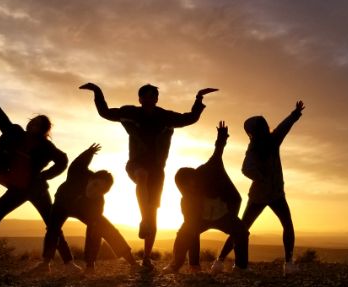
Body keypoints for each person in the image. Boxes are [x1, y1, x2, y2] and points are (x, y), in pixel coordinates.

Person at [79, 82, 217, 269]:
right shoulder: (130, 113)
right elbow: (105, 112)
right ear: (140, 98)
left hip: (157, 170)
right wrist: (97, 91)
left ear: (157, 99)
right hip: (135, 164)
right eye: (147, 95)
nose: (151, 98)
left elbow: (190, 118)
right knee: (142, 176)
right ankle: (144, 218)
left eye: (154, 96)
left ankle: (146, 257)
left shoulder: (165, 117)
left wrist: (199, 97)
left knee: (153, 215)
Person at [0, 81, 76, 272]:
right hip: (18, 189)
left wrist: (45, 176)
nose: (32, 124)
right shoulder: (15, 133)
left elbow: (63, 160)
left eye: (37, 124)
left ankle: (69, 263)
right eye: (32, 121)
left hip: (37, 189)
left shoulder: (46, 146)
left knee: (52, 225)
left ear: (43, 129)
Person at [214, 101, 305, 275]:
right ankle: (288, 264)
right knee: (284, 225)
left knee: (242, 228)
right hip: (272, 193)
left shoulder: (259, 145)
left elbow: (246, 169)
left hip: (262, 194)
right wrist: (263, 178)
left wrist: (295, 114)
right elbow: (246, 168)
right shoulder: (269, 142)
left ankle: (219, 261)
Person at [33, 143, 139, 273]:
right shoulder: (77, 172)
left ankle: (131, 263)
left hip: (83, 209)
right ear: (90, 179)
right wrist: (89, 153)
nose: (95, 191)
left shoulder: (98, 202)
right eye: (95, 185)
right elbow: (79, 162)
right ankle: (45, 263)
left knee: (102, 226)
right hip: (62, 202)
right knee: (53, 228)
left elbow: (94, 234)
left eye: (101, 190)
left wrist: (90, 263)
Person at [164, 121, 248, 274]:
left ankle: (240, 267)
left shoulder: (210, 169)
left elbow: (217, 153)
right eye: (186, 189)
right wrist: (194, 264)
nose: (191, 190)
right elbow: (191, 227)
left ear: (195, 177)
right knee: (184, 233)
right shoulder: (187, 199)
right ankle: (178, 265)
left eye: (191, 185)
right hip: (202, 217)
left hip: (224, 214)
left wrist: (221, 138)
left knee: (241, 231)